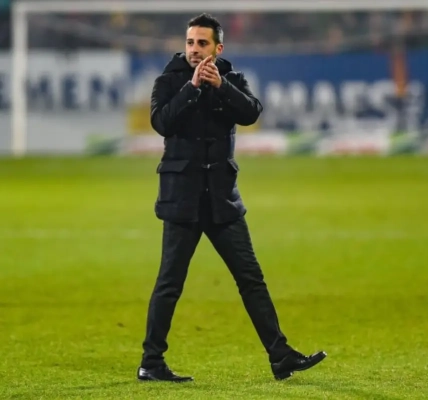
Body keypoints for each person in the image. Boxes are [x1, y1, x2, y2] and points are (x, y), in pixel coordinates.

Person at [136, 13, 326, 382]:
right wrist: (192, 87)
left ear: (218, 48)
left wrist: (220, 86)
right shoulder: (168, 81)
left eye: (202, 43)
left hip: (222, 200)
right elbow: (162, 122)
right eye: (190, 42)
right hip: (182, 201)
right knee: (170, 283)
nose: (194, 49)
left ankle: (280, 356)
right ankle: (151, 362)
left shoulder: (233, 80)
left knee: (251, 278)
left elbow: (251, 113)